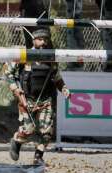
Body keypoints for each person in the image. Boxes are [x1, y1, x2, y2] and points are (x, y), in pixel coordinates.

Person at [5, 29, 70, 165]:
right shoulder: (24, 55)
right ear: (34, 40)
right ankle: (17, 141)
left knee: (47, 131)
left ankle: (38, 156)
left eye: (46, 39)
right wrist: (16, 90)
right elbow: (9, 73)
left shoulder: (50, 58)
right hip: (27, 100)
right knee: (28, 130)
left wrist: (63, 88)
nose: (44, 42)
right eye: (40, 39)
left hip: (46, 100)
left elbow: (56, 76)